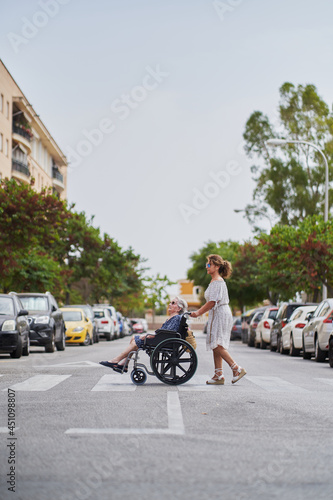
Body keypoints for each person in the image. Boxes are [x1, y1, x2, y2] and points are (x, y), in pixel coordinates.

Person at [190, 254, 246, 385]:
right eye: (207, 264)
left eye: (209, 264)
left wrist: (198, 312)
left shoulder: (217, 282)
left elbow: (211, 302)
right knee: (216, 344)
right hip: (218, 313)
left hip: (221, 313)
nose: (207, 267)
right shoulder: (214, 281)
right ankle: (218, 374)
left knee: (218, 344)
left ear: (216, 266)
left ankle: (236, 369)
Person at [100, 297, 188, 373]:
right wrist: (151, 335)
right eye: (170, 302)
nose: (169, 304)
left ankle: (115, 360)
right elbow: (165, 332)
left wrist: (151, 336)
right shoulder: (173, 318)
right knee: (134, 337)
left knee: (136, 342)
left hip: (164, 342)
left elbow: (168, 333)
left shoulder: (176, 318)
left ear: (179, 308)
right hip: (162, 340)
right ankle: (124, 364)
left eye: (173, 303)